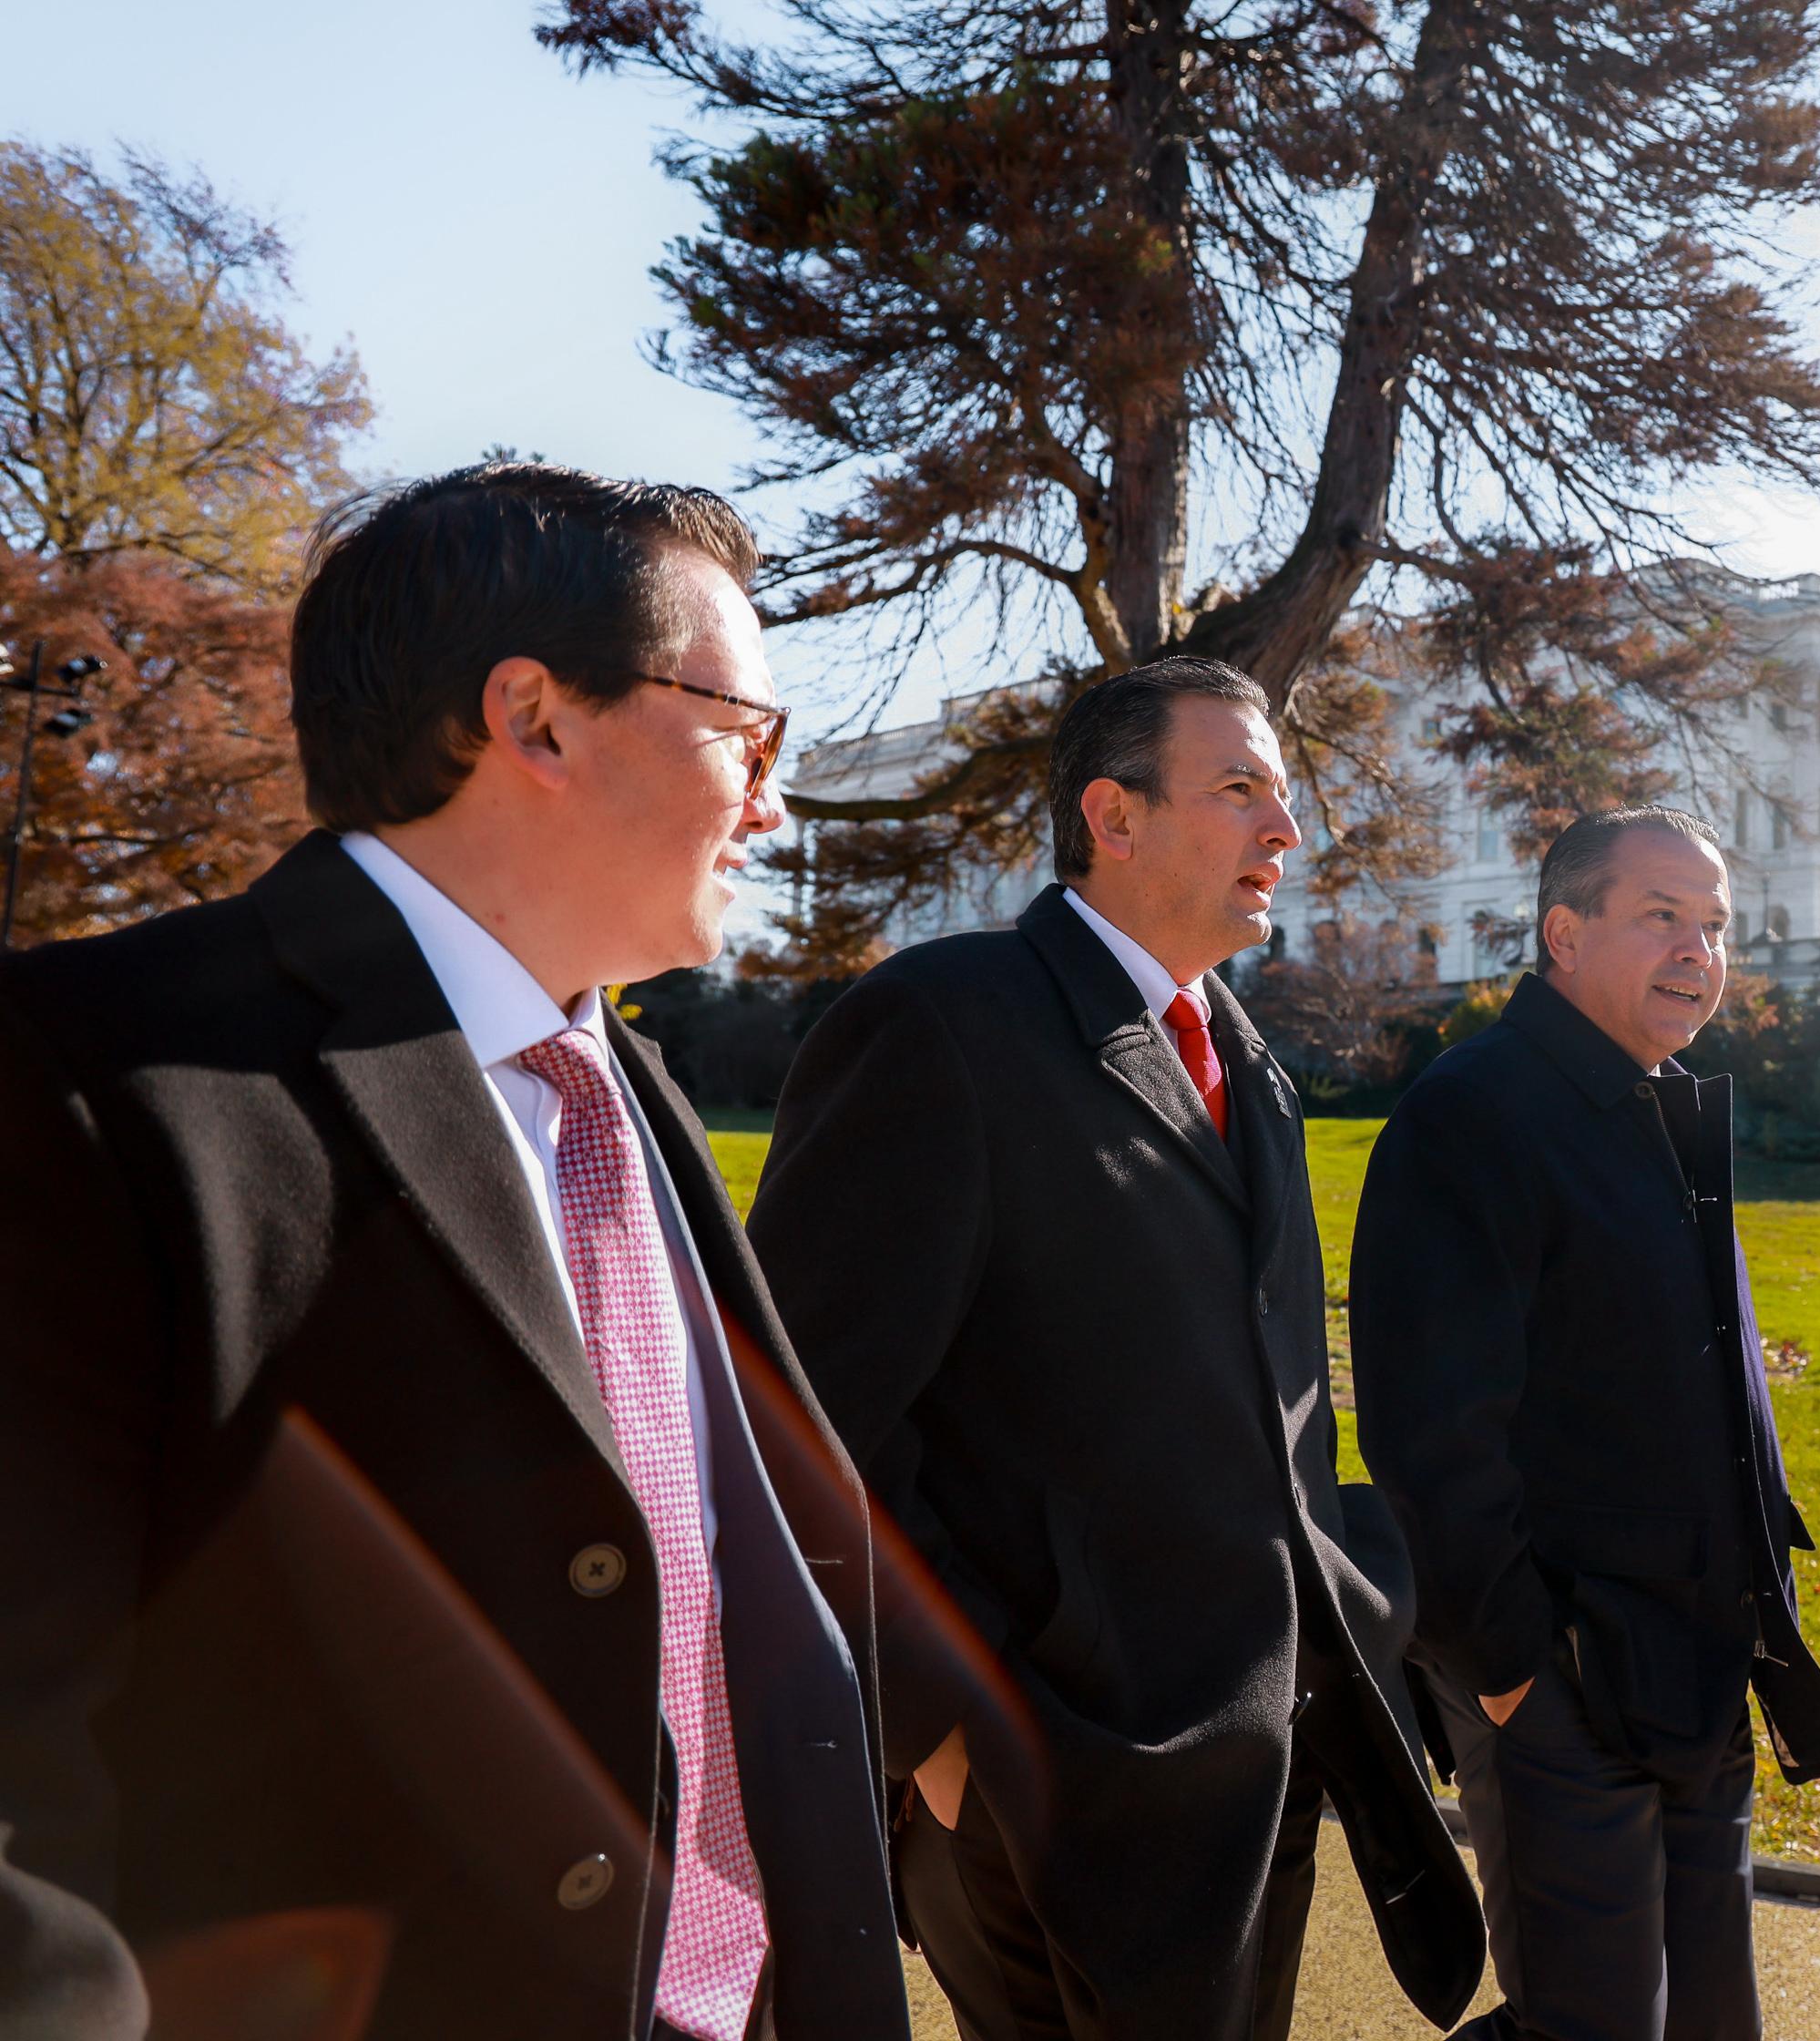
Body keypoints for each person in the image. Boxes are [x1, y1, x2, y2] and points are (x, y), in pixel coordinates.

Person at [0, 463, 913, 2039]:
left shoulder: (631, 1092)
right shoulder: (82, 1078)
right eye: (747, 735)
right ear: (534, 718)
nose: (772, 804)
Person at [746, 657, 1481, 2041]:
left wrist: (1354, 1617)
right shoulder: (941, 1023)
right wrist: (941, 1728)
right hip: (1047, 1783)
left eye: (1284, 793)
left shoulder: (1250, 1062)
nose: (1287, 828)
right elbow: (797, 1411)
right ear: (1114, 815)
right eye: (1240, 788)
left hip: (1259, 1767)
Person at [1351, 806, 1820, 2041]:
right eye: (1662, 918)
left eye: (1715, 927)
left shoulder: (1667, 1105)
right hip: (1560, 1683)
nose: (1700, 951)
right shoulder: (1471, 1114)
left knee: (1707, 2023)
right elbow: (1431, 1433)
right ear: (1564, 934)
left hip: (1700, 1659)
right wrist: (1514, 1674)